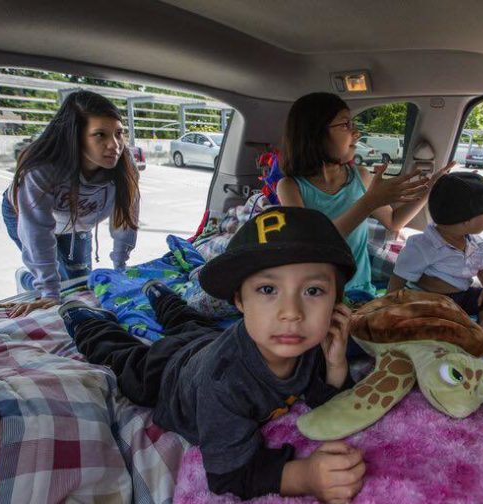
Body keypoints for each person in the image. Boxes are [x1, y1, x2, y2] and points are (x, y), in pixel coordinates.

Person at [58, 207, 365, 503]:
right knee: (123, 358)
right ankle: (85, 321)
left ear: (336, 303)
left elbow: (322, 400)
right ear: (239, 301)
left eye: (313, 291)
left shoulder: (306, 343)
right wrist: (306, 476)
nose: (291, 313)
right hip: (169, 371)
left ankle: (161, 294)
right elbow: (228, 475)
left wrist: (335, 362)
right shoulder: (224, 381)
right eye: (268, 290)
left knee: (191, 321)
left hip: (208, 340)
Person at [276, 92, 452, 294]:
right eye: (345, 125)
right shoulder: (290, 187)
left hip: (360, 289)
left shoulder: (360, 175)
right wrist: (369, 202)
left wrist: (429, 189)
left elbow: (394, 221)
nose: (356, 133)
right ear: (315, 133)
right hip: (317, 294)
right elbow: (314, 243)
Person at [2, 90, 140, 317]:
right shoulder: (42, 169)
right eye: (100, 135)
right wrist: (48, 292)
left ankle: (41, 281)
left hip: (78, 221)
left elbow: (126, 218)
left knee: (80, 285)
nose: (114, 145)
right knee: (58, 289)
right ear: (75, 137)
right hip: (27, 215)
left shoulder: (125, 167)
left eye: (118, 133)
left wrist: (120, 268)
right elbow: (37, 232)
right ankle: (27, 279)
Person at [387, 173, 483, 346]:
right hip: (431, 300)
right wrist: (390, 302)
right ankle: (457, 334)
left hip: (462, 296)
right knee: (428, 319)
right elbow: (399, 275)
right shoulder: (424, 246)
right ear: (466, 221)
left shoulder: (473, 241)